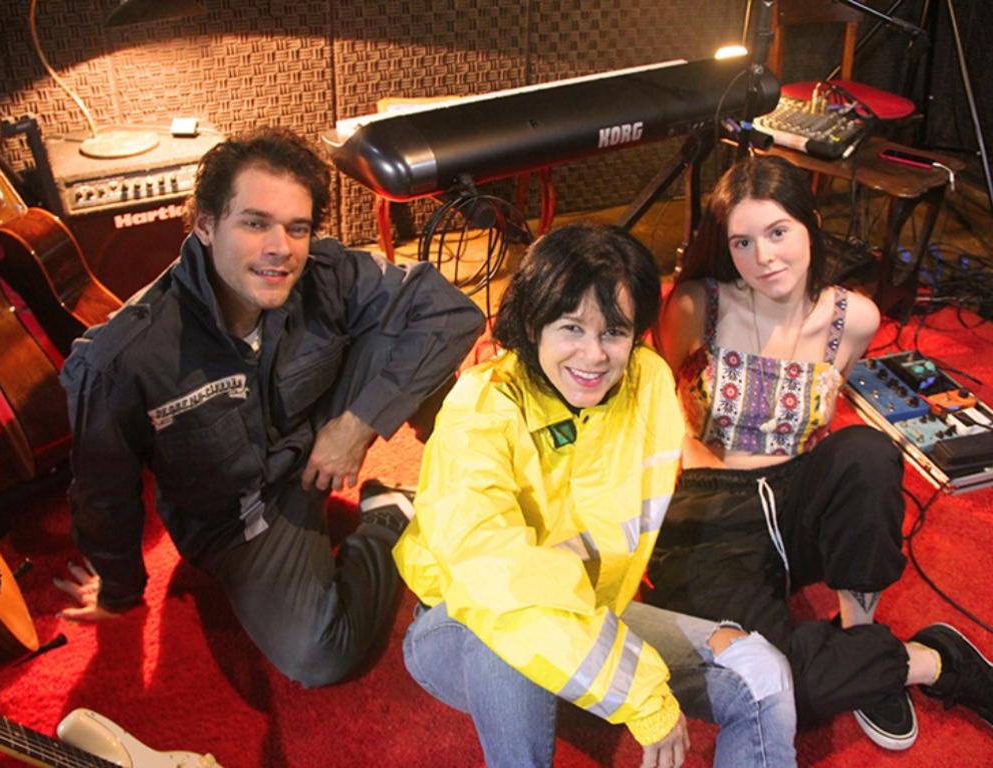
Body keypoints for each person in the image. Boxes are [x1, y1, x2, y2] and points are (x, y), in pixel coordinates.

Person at [54, 127, 485, 687]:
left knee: (419, 334)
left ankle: (480, 492)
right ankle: (389, 516)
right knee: (322, 656)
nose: (281, 246)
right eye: (255, 223)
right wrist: (119, 590)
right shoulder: (120, 359)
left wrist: (357, 425)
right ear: (205, 225)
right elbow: (103, 494)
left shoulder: (325, 271)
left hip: (315, 442)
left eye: (297, 227)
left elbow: (452, 313)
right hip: (241, 519)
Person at [394, 222, 798, 768]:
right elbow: (502, 582)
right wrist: (641, 694)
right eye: (571, 328)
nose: (594, 355)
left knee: (759, 669)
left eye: (614, 332)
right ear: (532, 323)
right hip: (462, 623)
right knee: (509, 637)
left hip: (591, 612)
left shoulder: (647, 382)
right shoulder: (479, 408)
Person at [645, 154, 993, 751]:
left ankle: (858, 629)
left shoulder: (854, 318)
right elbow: (653, 400)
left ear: (811, 224)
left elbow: (826, 422)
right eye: (743, 242)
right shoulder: (693, 305)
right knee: (772, 685)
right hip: (711, 516)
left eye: (778, 232)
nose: (763, 257)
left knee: (867, 453)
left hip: (800, 498)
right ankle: (926, 661)